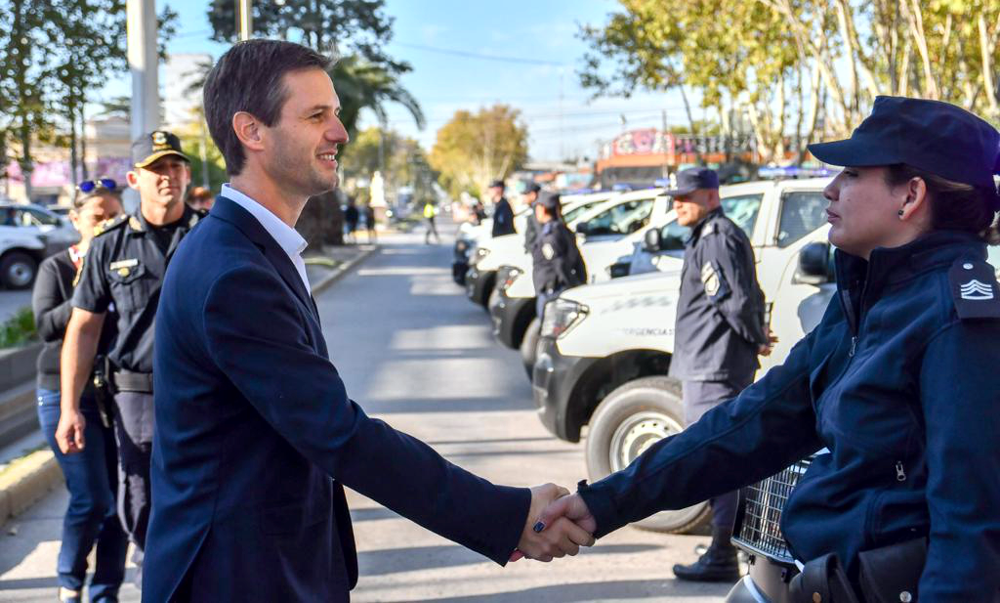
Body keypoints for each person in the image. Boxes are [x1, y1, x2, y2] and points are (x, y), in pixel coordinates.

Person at [144, 39, 592, 602]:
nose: (340, 132)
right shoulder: (233, 271)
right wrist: (507, 514)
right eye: (316, 116)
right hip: (236, 579)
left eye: (335, 113)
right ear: (251, 131)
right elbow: (337, 433)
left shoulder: (247, 249)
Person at [537, 96, 1000, 601]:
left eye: (850, 174)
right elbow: (753, 422)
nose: (829, 188)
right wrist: (606, 501)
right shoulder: (869, 299)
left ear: (910, 196)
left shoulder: (956, 321)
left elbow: (971, 530)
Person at [56, 130, 204, 584]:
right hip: (137, 396)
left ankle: (199, 576)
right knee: (139, 496)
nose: (168, 176)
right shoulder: (109, 243)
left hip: (205, 393)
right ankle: (154, 574)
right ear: (135, 179)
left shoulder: (212, 235)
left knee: (208, 488)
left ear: (187, 174)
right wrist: (69, 408)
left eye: (175, 166)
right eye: (156, 168)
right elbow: (83, 328)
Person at [662, 166, 773, 582]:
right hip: (711, 361)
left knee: (717, 459)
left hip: (714, 364)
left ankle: (723, 552)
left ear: (711, 197)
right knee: (719, 456)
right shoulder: (712, 233)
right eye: (675, 198)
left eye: (685, 198)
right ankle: (724, 543)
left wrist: (755, 337)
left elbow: (733, 299)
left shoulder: (715, 237)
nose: (677, 205)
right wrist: (756, 333)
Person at [33, 180, 128, 603]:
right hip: (63, 393)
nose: (106, 224)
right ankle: (70, 582)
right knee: (92, 498)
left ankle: (105, 592)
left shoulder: (126, 262)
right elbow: (46, 326)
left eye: (114, 216)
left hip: (116, 393)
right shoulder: (57, 267)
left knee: (122, 501)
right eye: (97, 217)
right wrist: (87, 284)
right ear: (76, 221)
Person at [531, 192, 587, 319]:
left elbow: (559, 264)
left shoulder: (551, 234)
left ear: (543, 209)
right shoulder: (561, 229)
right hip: (556, 288)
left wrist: (570, 287)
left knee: (550, 325)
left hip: (553, 290)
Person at [522, 182, 542, 253]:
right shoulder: (534, 209)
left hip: (537, 251)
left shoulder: (539, 211)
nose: (523, 197)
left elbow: (539, 233)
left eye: (526, 194)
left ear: (533, 195)